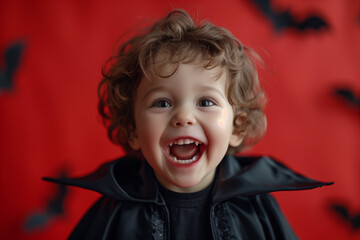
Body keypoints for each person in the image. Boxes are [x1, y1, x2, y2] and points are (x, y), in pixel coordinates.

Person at [44, 10, 332, 240]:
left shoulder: (257, 207)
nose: (184, 117)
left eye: (205, 102)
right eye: (162, 103)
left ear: (236, 126)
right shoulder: (113, 213)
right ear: (133, 129)